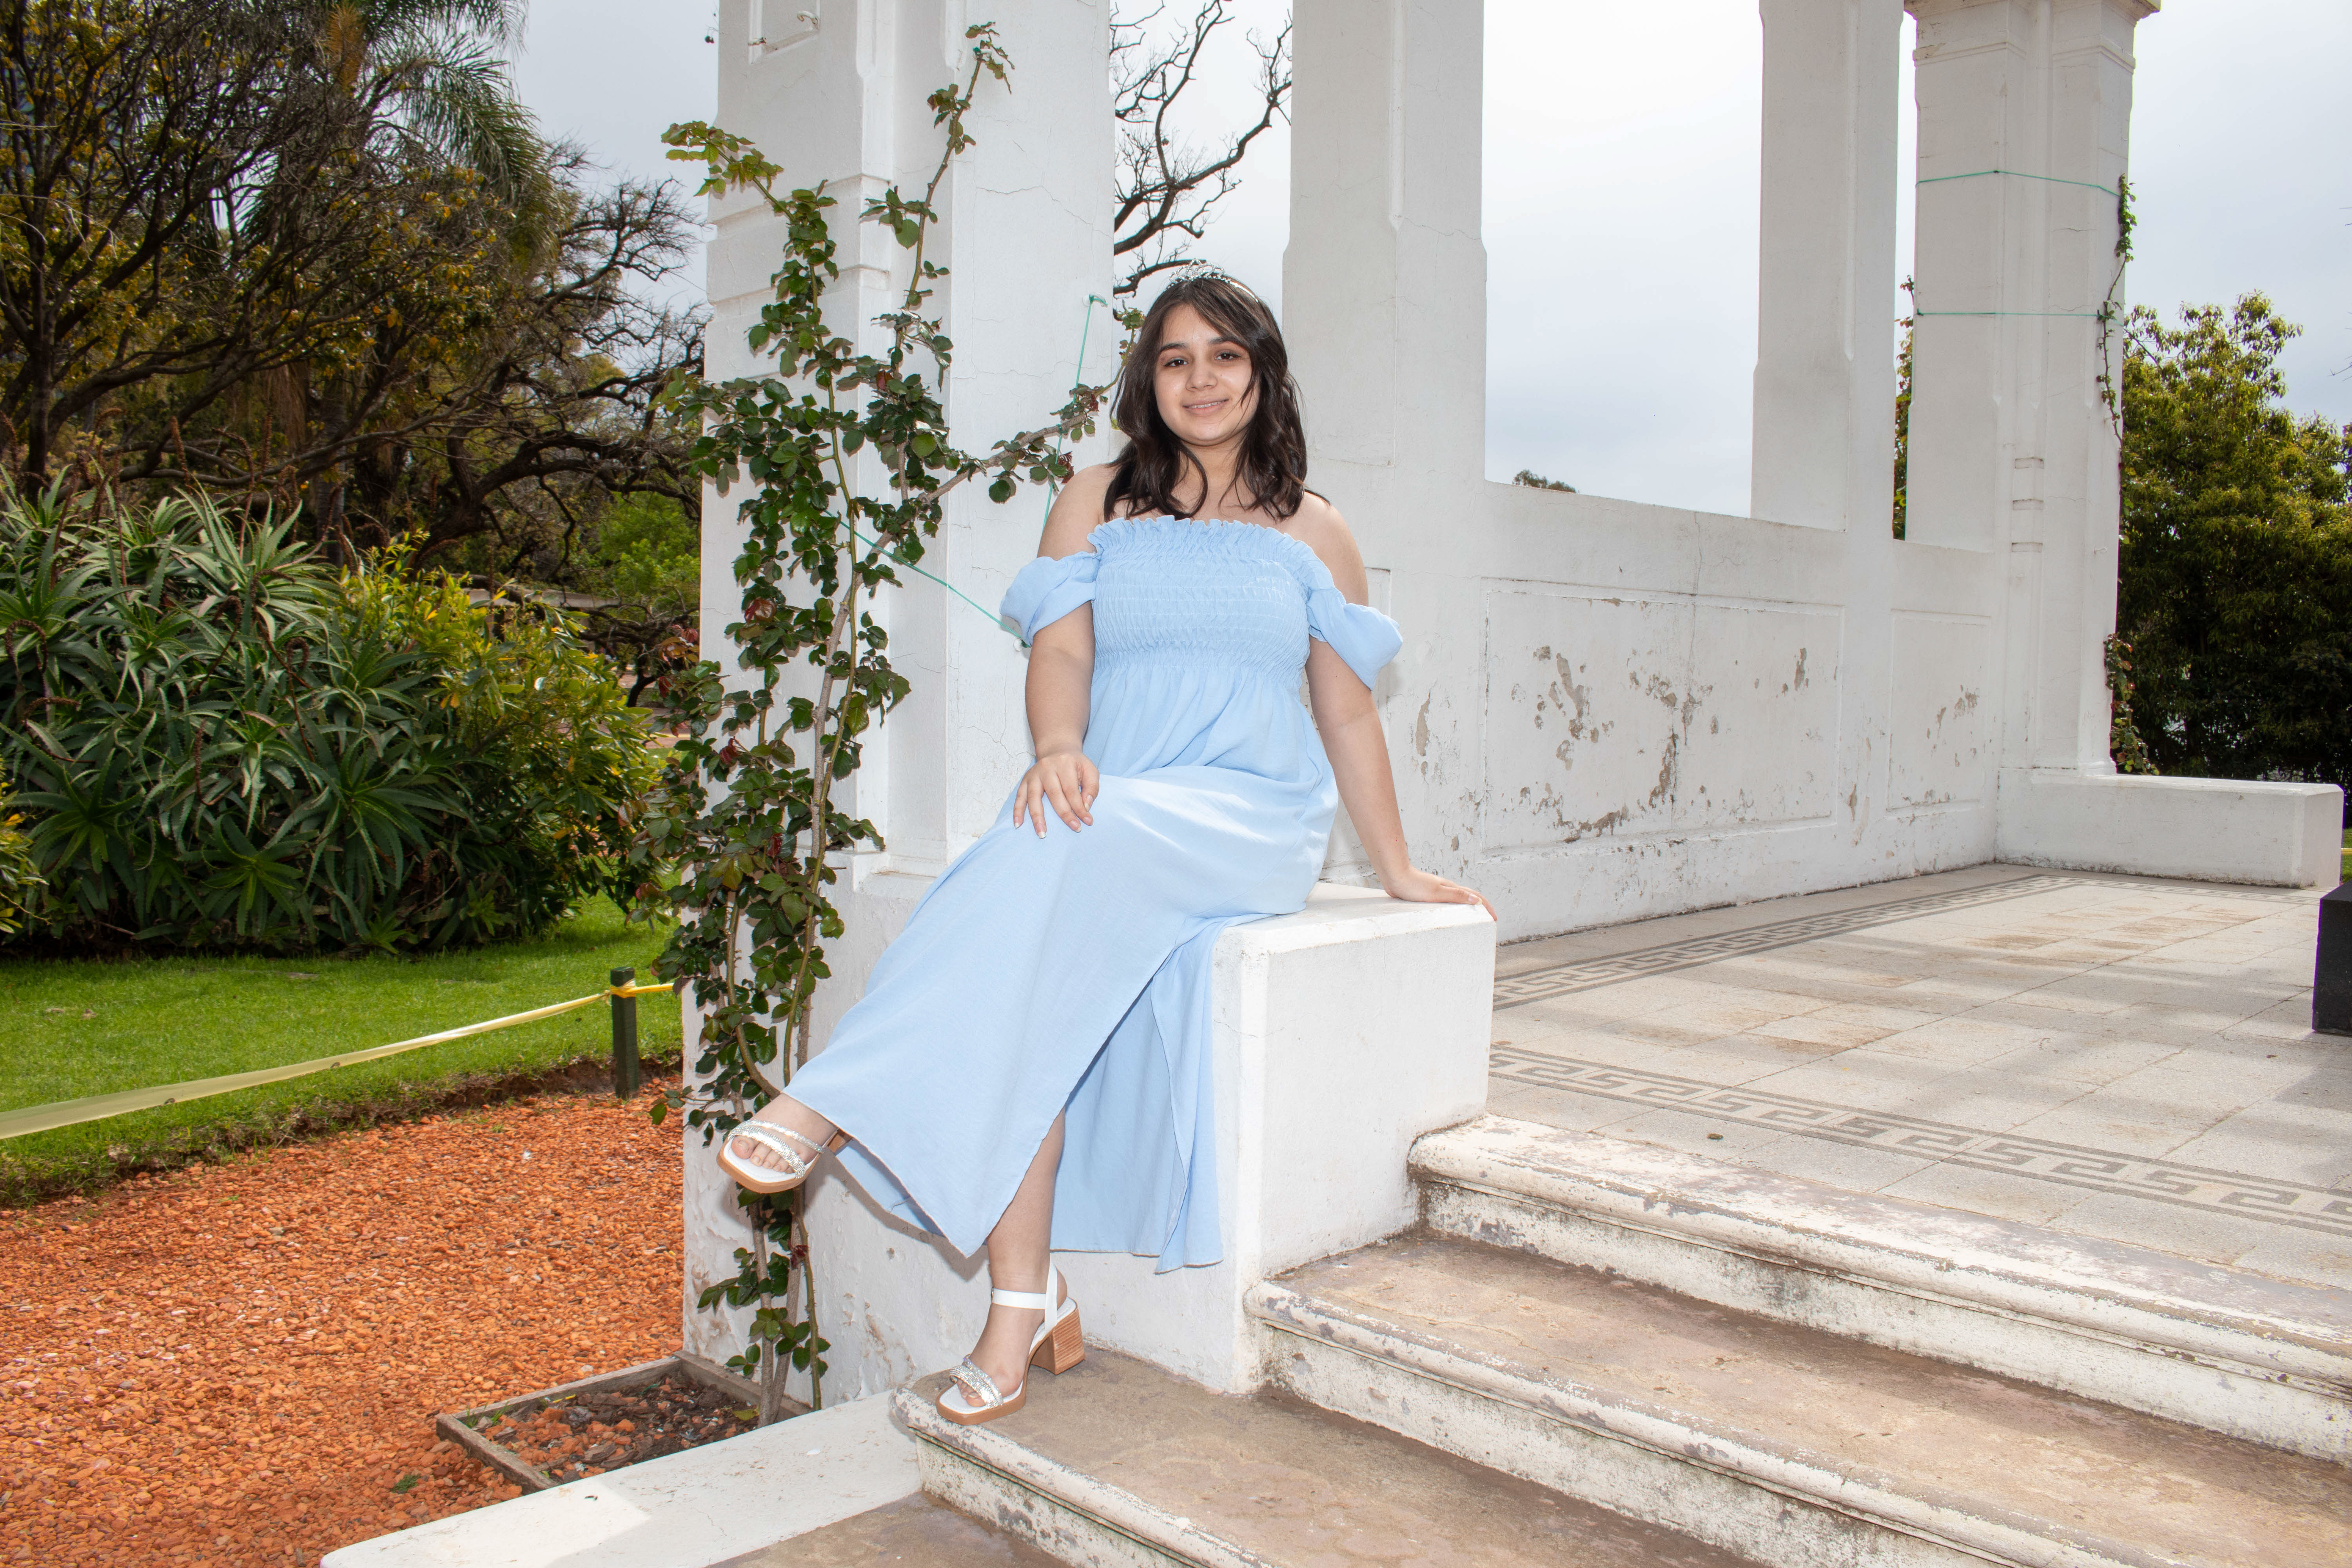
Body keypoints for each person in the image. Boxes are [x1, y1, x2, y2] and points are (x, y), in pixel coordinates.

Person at [713, 266, 1493, 1427]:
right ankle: (1021, 1305)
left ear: (1264, 373)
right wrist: (1057, 746)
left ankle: (828, 1101)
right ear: (1148, 380)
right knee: (1023, 975)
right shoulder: (1094, 501)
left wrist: (1395, 869)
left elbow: (1344, 712)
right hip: (1112, 799)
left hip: (1246, 814)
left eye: (1225, 355)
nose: (1201, 379)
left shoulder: (1316, 529)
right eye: (1176, 359)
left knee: (1048, 861)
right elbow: (1063, 653)